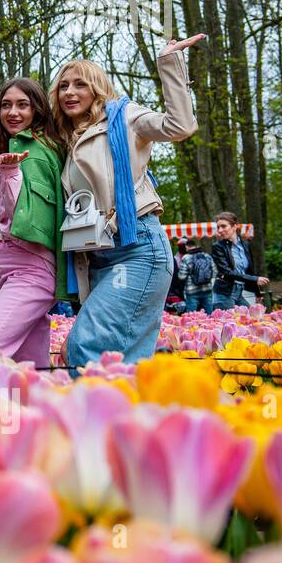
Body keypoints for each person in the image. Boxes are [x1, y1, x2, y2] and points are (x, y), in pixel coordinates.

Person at [53, 34, 203, 367]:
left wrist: (170, 64)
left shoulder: (124, 117)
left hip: (138, 248)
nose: (69, 92)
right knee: (125, 360)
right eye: (63, 86)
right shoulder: (67, 141)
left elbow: (179, 126)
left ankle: (90, 417)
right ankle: (132, 417)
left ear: (96, 88)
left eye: (80, 84)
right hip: (98, 258)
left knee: (85, 345)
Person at [0, 78, 67, 367]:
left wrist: (10, 171)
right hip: (11, 271)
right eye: (7, 105)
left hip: (30, 271)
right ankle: (33, 413)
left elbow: (24, 215)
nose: (13, 112)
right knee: (29, 370)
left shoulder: (33, 151)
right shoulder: (17, 145)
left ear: (37, 109)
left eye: (23, 105)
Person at [211, 212, 269, 310]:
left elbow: (250, 270)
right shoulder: (218, 247)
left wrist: (257, 293)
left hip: (239, 291)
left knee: (252, 317)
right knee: (232, 323)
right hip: (224, 293)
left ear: (235, 226)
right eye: (218, 227)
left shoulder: (244, 245)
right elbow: (226, 271)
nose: (220, 230)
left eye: (224, 226)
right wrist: (255, 279)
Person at [178, 239, 216, 314]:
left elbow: (181, 276)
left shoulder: (186, 258)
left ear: (187, 247)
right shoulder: (206, 255)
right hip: (207, 289)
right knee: (210, 316)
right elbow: (215, 272)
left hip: (192, 292)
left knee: (192, 317)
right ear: (195, 245)